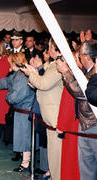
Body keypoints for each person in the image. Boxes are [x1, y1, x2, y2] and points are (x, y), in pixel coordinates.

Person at [21, 38, 63, 180]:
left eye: (49, 47)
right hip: (50, 117)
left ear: (54, 49)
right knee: (52, 154)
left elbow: (44, 84)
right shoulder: (52, 64)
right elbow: (44, 85)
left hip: (55, 117)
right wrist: (34, 75)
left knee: (56, 155)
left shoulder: (59, 65)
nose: (47, 50)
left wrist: (31, 74)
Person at [59, 40, 97, 180]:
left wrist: (66, 73)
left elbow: (83, 92)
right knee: (86, 169)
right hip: (84, 124)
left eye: (80, 55)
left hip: (93, 125)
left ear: (87, 57)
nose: (79, 59)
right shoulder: (87, 72)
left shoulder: (94, 74)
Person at [0, 52, 35, 172]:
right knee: (23, 137)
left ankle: (25, 163)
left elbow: (16, 96)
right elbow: (7, 81)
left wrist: (8, 96)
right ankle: (25, 161)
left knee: (24, 138)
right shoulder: (19, 74)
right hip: (23, 111)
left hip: (24, 111)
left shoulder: (21, 76)